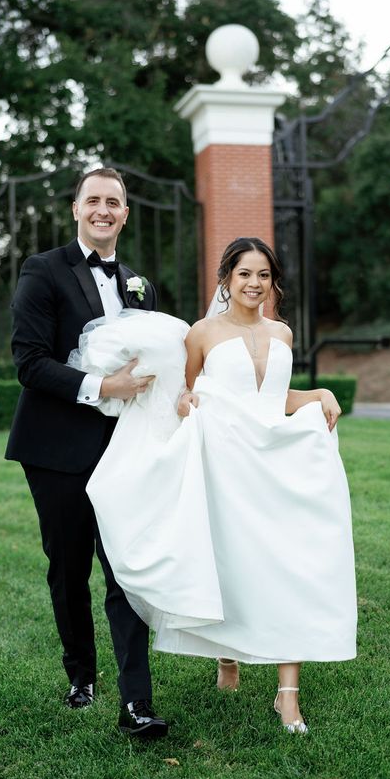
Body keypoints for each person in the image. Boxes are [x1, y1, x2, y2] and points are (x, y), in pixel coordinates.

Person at [81, 237, 357, 736]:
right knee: (235, 559)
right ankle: (228, 654)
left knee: (289, 565)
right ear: (226, 278)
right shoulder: (202, 334)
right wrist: (188, 405)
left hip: (276, 459)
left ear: (273, 282)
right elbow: (183, 392)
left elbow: (272, 396)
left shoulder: (283, 333)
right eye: (246, 274)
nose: (255, 284)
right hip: (226, 459)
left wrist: (319, 392)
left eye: (264, 275)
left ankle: (287, 696)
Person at [5, 167, 169, 739]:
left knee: (124, 566)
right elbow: (28, 362)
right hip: (56, 448)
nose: (104, 209)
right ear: (76, 208)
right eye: (93, 200)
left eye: (114, 202)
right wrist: (104, 388)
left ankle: (137, 702)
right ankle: (81, 675)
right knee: (70, 565)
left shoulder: (137, 282)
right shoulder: (42, 270)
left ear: (125, 214)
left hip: (124, 446)